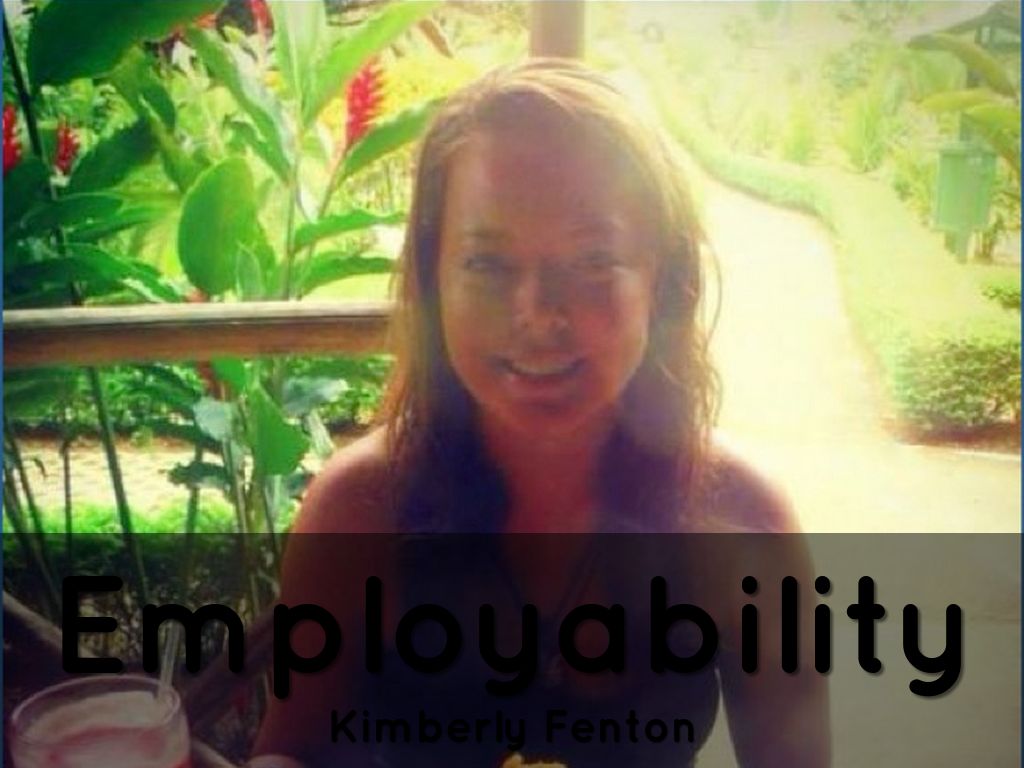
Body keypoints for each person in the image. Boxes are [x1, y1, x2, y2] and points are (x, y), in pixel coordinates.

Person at [250, 59, 829, 768]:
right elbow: (291, 750)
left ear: (662, 279)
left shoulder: (737, 517)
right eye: (488, 264)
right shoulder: (360, 511)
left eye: (593, 260)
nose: (539, 315)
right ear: (433, 279)